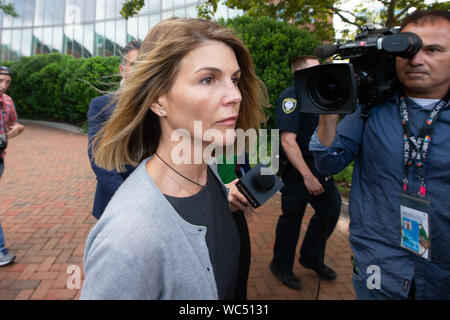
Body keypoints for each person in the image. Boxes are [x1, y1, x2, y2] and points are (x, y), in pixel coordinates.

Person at [81, 18, 268, 300]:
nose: (234, 96)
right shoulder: (127, 241)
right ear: (158, 100)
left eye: (235, 80)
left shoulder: (211, 173)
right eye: (208, 79)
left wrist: (231, 183)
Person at [310, 10, 450, 299]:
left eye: (433, 50)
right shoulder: (370, 107)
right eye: (408, 49)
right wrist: (327, 114)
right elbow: (327, 162)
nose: (416, 59)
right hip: (380, 264)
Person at [269, 56, 341, 290]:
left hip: (319, 166)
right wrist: (307, 176)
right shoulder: (290, 97)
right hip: (297, 169)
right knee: (291, 219)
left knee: (330, 211)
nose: (320, 73)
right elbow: (288, 141)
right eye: (314, 70)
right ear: (299, 74)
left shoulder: (320, 96)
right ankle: (280, 266)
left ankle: (310, 257)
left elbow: (328, 138)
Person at [87, 40, 141, 220]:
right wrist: (126, 197)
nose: (140, 69)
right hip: (115, 200)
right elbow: (98, 156)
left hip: (157, 199)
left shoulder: (162, 105)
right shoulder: (101, 106)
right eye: (134, 64)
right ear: (122, 70)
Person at [0, 66, 24, 266]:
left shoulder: (7, 102)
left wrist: (17, 129)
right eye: (0, 81)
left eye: (7, 82)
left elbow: (14, 123)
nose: (3, 86)